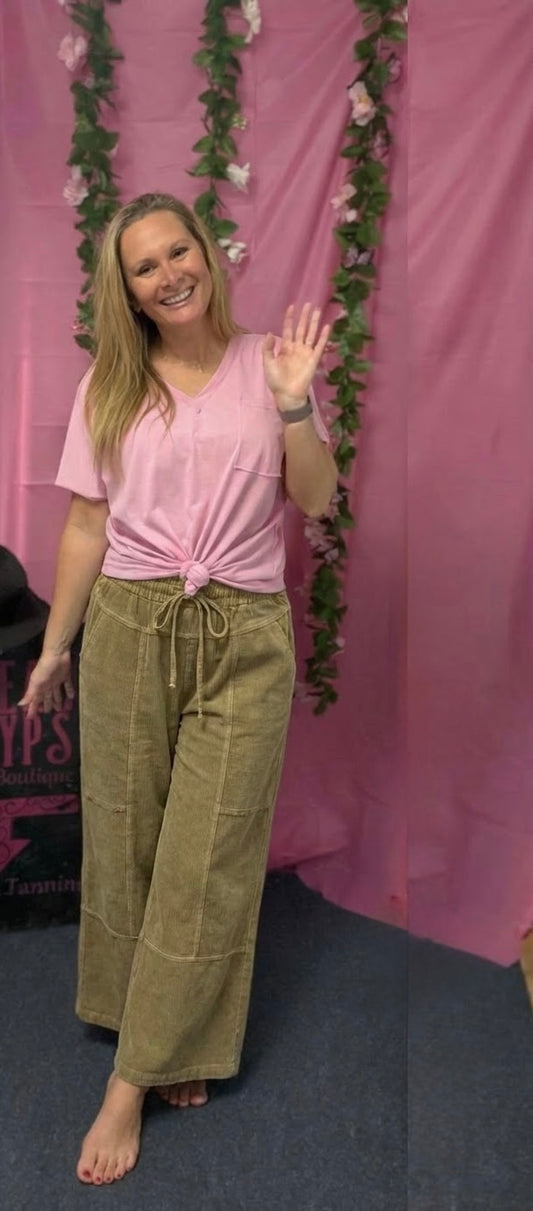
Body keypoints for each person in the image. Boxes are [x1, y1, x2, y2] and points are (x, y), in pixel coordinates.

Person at [19, 192, 337, 1186]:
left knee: (207, 853)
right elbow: (83, 524)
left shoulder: (265, 366)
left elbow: (316, 497)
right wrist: (56, 645)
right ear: (130, 292)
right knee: (129, 836)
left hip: (240, 630)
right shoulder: (109, 385)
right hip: (129, 621)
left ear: (207, 254)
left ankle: (132, 1072)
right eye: (144, 266)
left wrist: (294, 403)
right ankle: (164, 1028)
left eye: (177, 250)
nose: (167, 272)